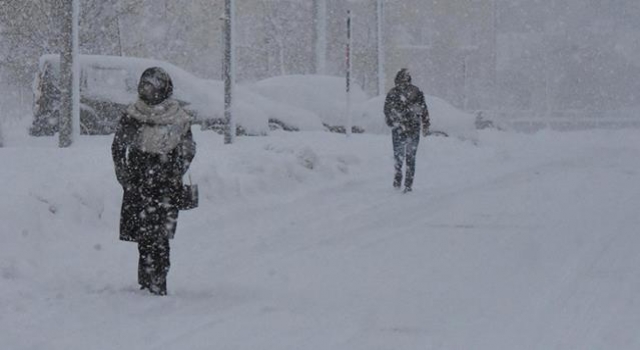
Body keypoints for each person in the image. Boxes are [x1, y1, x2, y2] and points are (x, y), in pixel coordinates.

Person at [111, 67, 196, 296]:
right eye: (145, 85)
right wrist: (125, 176)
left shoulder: (177, 117)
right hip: (138, 183)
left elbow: (187, 149)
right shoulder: (133, 114)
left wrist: (174, 171)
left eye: (152, 85)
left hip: (166, 185)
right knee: (143, 235)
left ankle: (158, 280)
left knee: (160, 235)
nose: (147, 90)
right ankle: (145, 281)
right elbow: (119, 146)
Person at [383, 68, 430, 193]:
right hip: (412, 128)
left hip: (399, 129)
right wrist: (425, 124)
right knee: (410, 157)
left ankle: (398, 176)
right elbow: (423, 109)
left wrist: (393, 121)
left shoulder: (393, 93)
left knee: (399, 156)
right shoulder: (416, 92)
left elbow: (387, 110)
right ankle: (408, 183)